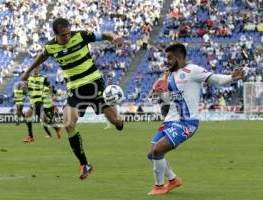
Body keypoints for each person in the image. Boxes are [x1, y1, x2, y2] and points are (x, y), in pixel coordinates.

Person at [22, 18, 124, 180]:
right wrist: (28, 71)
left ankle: (116, 113)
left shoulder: (81, 36)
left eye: (69, 33)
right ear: (56, 35)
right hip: (76, 89)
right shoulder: (51, 46)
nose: (68, 37)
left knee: (117, 123)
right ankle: (85, 164)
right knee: (68, 123)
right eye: (64, 35)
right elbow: (42, 56)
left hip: (95, 85)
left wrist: (115, 36)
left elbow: (105, 34)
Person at [147, 43, 245, 195]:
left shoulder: (193, 70)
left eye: (170, 58)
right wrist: (159, 95)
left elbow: (215, 79)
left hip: (186, 122)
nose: (167, 61)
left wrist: (231, 78)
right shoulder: (172, 76)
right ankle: (173, 180)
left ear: (179, 57)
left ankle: (159, 187)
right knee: (151, 153)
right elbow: (176, 98)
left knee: (158, 150)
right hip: (170, 121)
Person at [23, 68, 53, 143]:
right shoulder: (29, 78)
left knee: (27, 115)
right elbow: (25, 89)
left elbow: (50, 86)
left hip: (39, 101)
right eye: (34, 69)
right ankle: (55, 126)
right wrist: (25, 88)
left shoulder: (42, 78)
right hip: (33, 101)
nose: (35, 70)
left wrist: (49, 94)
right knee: (45, 119)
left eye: (37, 68)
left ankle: (31, 136)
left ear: (38, 69)